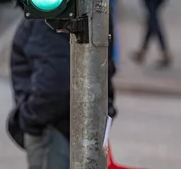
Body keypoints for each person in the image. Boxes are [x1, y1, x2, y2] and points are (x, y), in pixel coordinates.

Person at [7, 10, 117, 168]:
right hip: (82, 125)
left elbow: (54, 82)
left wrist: (31, 118)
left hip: (54, 130)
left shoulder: (54, 6)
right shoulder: (93, 0)